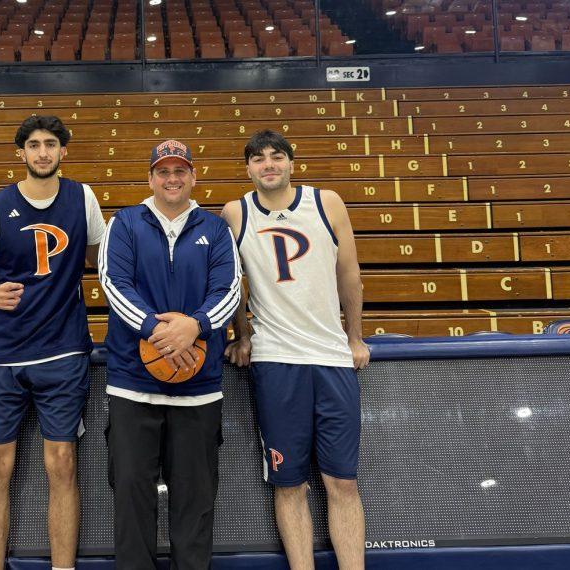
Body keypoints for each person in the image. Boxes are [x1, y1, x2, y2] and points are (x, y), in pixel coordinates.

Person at [222, 129, 370, 570]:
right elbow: (232, 285)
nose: (268, 165)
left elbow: (350, 273)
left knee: (342, 482)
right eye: (259, 159)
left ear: (291, 162)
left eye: (276, 156)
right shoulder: (235, 213)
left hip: (330, 358)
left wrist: (355, 336)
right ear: (247, 168)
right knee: (289, 484)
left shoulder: (326, 203)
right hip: (275, 359)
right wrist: (242, 335)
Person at [0, 115, 106, 570]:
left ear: (64, 150)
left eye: (50, 144)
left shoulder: (82, 197)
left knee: (62, 462)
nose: (42, 152)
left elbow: (101, 261)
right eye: (33, 144)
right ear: (21, 152)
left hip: (64, 349)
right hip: (4, 352)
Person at [98, 139, 241, 569]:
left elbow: (229, 291)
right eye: (164, 171)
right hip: (133, 389)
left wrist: (194, 326)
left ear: (193, 177)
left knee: (195, 506)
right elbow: (112, 283)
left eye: (180, 171)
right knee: (132, 503)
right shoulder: (123, 224)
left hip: (198, 391)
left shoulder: (215, 229)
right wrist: (160, 333)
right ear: (151, 178)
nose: (172, 178)